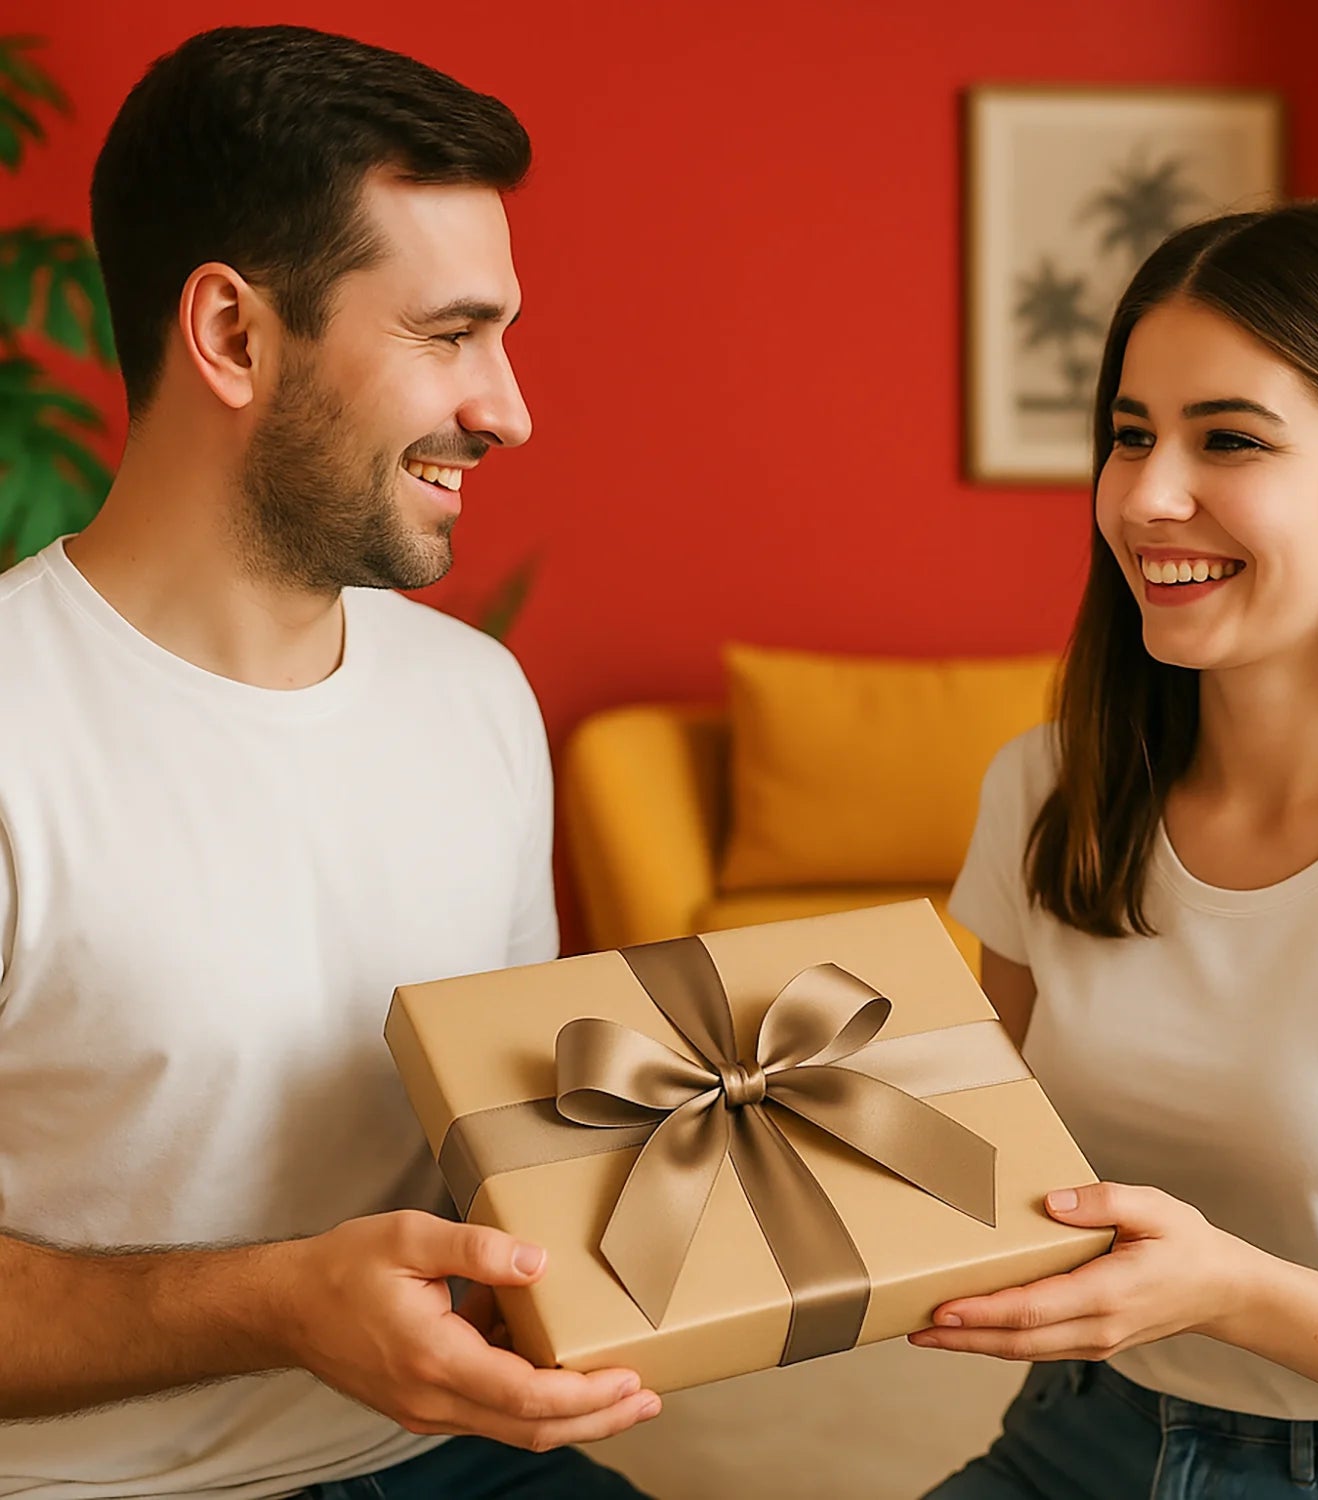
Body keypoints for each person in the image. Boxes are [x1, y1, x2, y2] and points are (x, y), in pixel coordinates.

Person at [0, 25, 659, 1500]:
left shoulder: (479, 697)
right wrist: (278, 1306)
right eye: (449, 334)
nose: (509, 407)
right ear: (233, 335)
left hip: (457, 1459)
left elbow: (503, 1143)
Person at [915, 200, 1318, 1497]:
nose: (1147, 496)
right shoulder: (1055, 787)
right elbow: (966, 1150)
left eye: (1228, 438)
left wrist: (1229, 1292)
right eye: (1129, 436)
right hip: (1075, 1434)